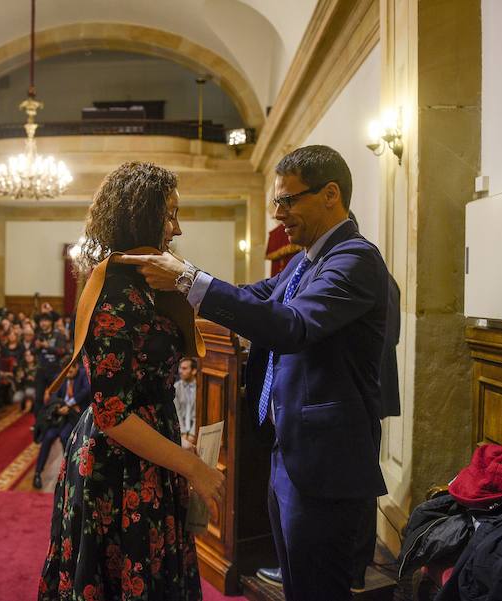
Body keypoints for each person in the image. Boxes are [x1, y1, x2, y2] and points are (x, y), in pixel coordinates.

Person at [120, 146, 389, 600]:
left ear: (330, 194)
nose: (278, 215)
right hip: (289, 451)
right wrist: (181, 286)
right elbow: (253, 297)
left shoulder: (355, 258)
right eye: (276, 202)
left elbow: (292, 326)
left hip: (325, 464)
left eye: (288, 201)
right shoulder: (303, 262)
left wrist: (187, 279)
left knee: (319, 589)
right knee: (298, 585)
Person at [39, 161, 224, 600]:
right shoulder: (116, 291)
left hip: (148, 449)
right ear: (141, 216)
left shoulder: (144, 281)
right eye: (170, 215)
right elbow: (112, 414)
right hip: (118, 468)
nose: (177, 229)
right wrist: (193, 468)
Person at [32, 362, 88, 489]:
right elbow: (53, 396)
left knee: (65, 437)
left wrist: (69, 405)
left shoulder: (83, 376)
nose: (68, 373)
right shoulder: (61, 377)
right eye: (66, 370)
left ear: (76, 367)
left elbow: (86, 391)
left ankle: (68, 472)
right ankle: (37, 473)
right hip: (59, 417)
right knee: (47, 437)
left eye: (71, 370)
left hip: (73, 418)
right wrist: (59, 407)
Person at [173, 358, 198, 448]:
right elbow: (177, 411)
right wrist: (183, 433)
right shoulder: (176, 387)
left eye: (184, 368)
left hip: (196, 429)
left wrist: (192, 434)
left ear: (194, 371)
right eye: (180, 368)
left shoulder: (200, 387)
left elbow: (198, 413)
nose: (180, 371)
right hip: (181, 430)